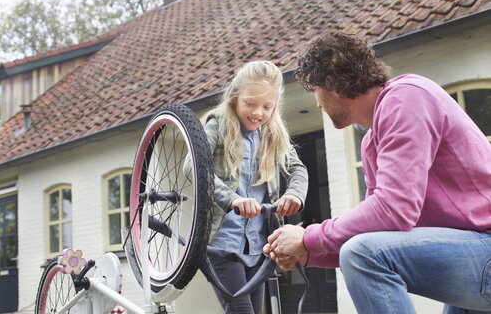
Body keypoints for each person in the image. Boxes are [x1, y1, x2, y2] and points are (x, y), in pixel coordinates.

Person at [263, 31, 491, 314]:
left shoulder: (407, 98)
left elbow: (393, 210)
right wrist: (309, 254)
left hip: (484, 247)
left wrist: (308, 237)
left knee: (360, 253)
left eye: (316, 93)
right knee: (360, 250)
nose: (318, 104)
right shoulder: (372, 143)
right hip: (472, 252)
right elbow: (380, 227)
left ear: (333, 84)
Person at [202, 60, 308, 314]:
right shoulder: (217, 124)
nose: (258, 112)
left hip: (259, 243)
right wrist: (233, 200)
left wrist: (295, 193)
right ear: (235, 97)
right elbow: (192, 168)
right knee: (241, 309)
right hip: (221, 241)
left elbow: (297, 168)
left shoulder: (272, 133)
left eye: (267, 107)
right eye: (250, 103)